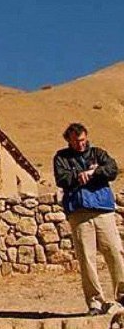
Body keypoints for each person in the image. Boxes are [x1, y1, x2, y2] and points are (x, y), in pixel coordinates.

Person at [53, 122, 124, 315]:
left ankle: (122, 296)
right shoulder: (61, 158)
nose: (80, 144)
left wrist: (93, 172)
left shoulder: (98, 153)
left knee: (115, 252)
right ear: (69, 140)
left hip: (103, 210)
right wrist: (78, 176)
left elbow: (112, 170)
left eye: (83, 140)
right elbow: (62, 179)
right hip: (79, 213)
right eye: (76, 141)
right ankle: (95, 302)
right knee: (86, 259)